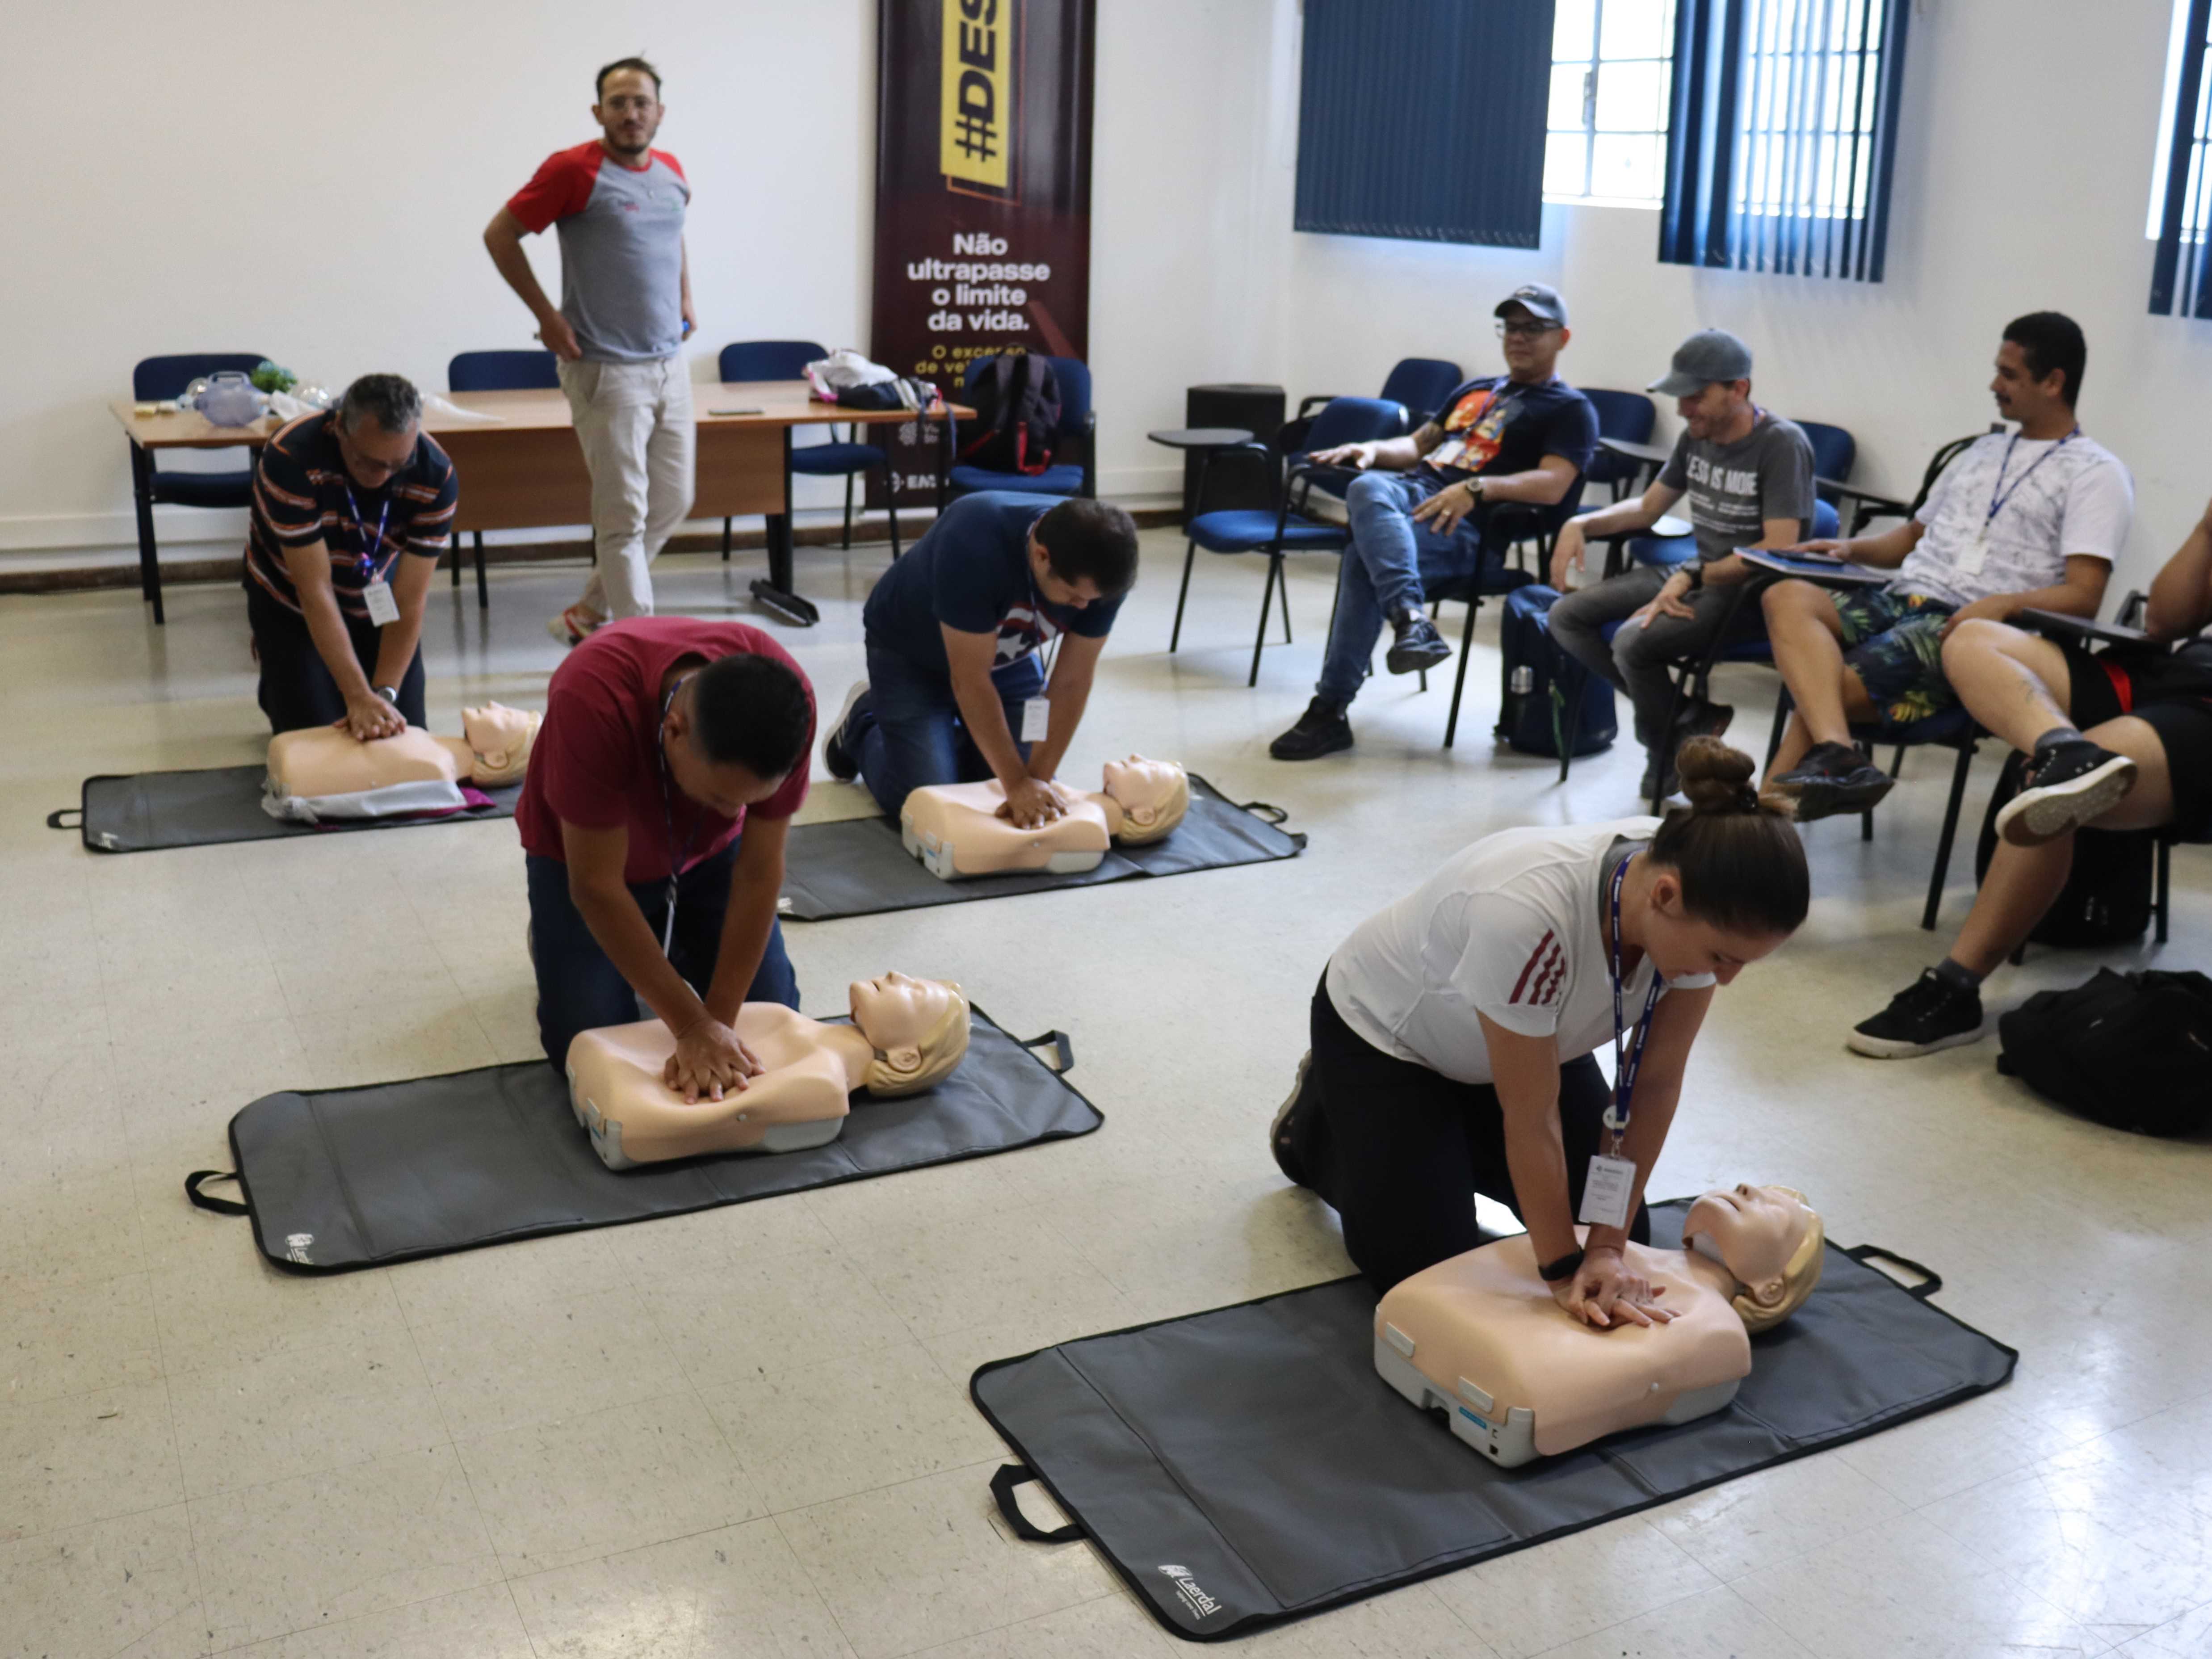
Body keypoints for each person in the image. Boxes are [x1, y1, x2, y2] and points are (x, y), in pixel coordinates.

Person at [1272, 739, 1809, 1315]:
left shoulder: (1703, 882)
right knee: (1423, 1272)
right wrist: (1560, 1272)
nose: (1723, 980)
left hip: (1536, 1039)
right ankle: (1320, 1126)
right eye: (1722, 958)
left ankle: (1441, 1148)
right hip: (1390, 1042)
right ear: (1664, 895)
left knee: (1631, 1238)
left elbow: (1653, 1084)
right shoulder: (1528, 913)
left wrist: (1605, 1246)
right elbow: (1531, 1117)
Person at [1848, 497, 2212, 1058]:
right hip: (2171, 670)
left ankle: (1955, 989)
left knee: (2060, 790)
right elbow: (2165, 621)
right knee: (1972, 637)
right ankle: (2061, 746)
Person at [1759, 312, 2132, 823]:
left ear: (2053, 382)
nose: (1993, 385)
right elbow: (1910, 538)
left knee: (1822, 689)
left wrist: (2003, 604)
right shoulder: (1982, 450)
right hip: (1901, 597)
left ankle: (1760, 826)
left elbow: (2085, 593)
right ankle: (1834, 757)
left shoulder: (2097, 473)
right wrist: (1848, 549)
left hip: (1963, 625)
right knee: (1786, 596)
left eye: (2009, 374)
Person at [1269, 283, 1600, 760]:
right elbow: (1416, 445)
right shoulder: (1476, 389)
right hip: (1410, 502)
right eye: (1510, 327)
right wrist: (1371, 449)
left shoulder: (1571, 409)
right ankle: (1410, 620)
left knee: (1363, 550)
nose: (1519, 337)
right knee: (1367, 485)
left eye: (1534, 328)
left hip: (1467, 529)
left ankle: (1330, 707)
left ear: (1563, 337)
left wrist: (1478, 487)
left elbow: (1553, 483)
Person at [519, 619, 814, 1100]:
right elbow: (596, 886)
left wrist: (717, 1022)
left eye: (746, 803)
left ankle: (666, 937)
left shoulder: (785, 701)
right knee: (580, 1041)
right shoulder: (591, 696)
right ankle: (557, 935)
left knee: (770, 1018)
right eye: (721, 796)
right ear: (673, 729)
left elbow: (760, 872)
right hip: (583, 864)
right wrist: (690, 1022)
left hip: (711, 859)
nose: (733, 811)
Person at [1546, 329, 1815, 799]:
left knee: (1632, 643)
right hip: (1696, 573)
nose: (1683, 409)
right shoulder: (1697, 436)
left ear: (1739, 389)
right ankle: (1684, 721)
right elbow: (1647, 509)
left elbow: (1777, 549)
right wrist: (1581, 524)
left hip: (1747, 593)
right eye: (1680, 397)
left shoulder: (1781, 444)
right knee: (1564, 616)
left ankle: (1663, 745)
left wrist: (1696, 575)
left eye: (1696, 396)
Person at [485, 56, 697, 642]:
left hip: (668, 365)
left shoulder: (673, 172)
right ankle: (639, 652)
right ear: (598, 111)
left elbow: (672, 235)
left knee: (674, 500)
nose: (630, 113)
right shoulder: (571, 171)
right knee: (622, 518)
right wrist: (546, 317)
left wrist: (685, 297)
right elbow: (499, 234)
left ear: (659, 111)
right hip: (606, 370)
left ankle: (588, 615)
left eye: (641, 102)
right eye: (618, 102)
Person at [822, 491, 1139, 823]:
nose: (1083, 608)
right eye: (1074, 596)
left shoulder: (1101, 571)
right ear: (1042, 557)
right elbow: (970, 680)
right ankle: (863, 722)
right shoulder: (974, 538)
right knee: (925, 800)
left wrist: (1037, 780)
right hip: (909, 655)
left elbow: (1073, 682)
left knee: (1011, 788)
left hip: (1007, 661)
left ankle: (945, 736)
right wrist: (1016, 783)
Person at [243, 374, 457, 737]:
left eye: (397, 465)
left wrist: (384, 694)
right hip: (290, 600)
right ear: (339, 426)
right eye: (369, 463)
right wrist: (357, 694)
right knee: (316, 736)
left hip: (374, 598)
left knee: (403, 733)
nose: (383, 477)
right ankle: (279, 671)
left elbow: (409, 598)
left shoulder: (435, 474)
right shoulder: (290, 457)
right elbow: (315, 591)